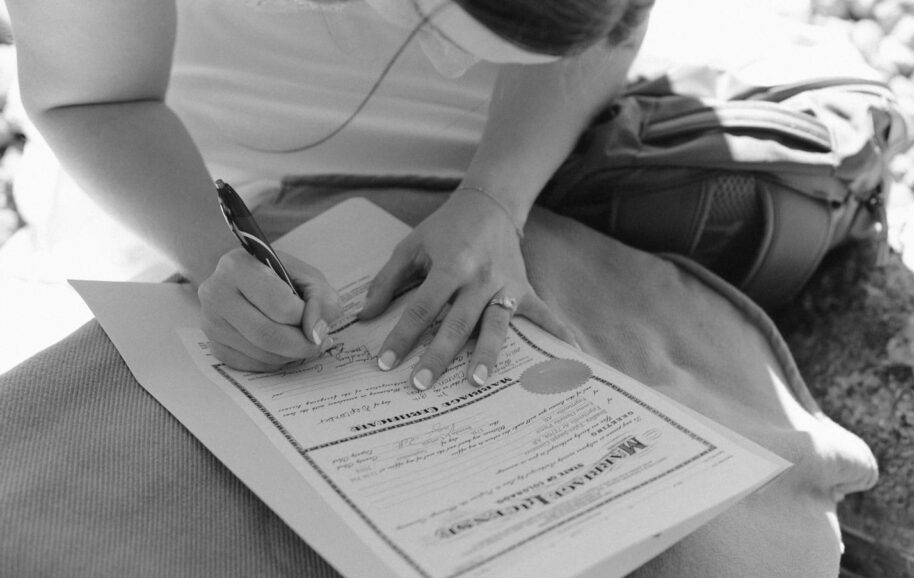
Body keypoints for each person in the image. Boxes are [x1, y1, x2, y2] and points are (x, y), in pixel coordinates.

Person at [8, 0, 652, 390]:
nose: (454, 66)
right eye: (438, 32)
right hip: (172, 153)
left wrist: (496, 195)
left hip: (519, 140)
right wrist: (217, 250)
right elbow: (93, 97)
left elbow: (608, 26)